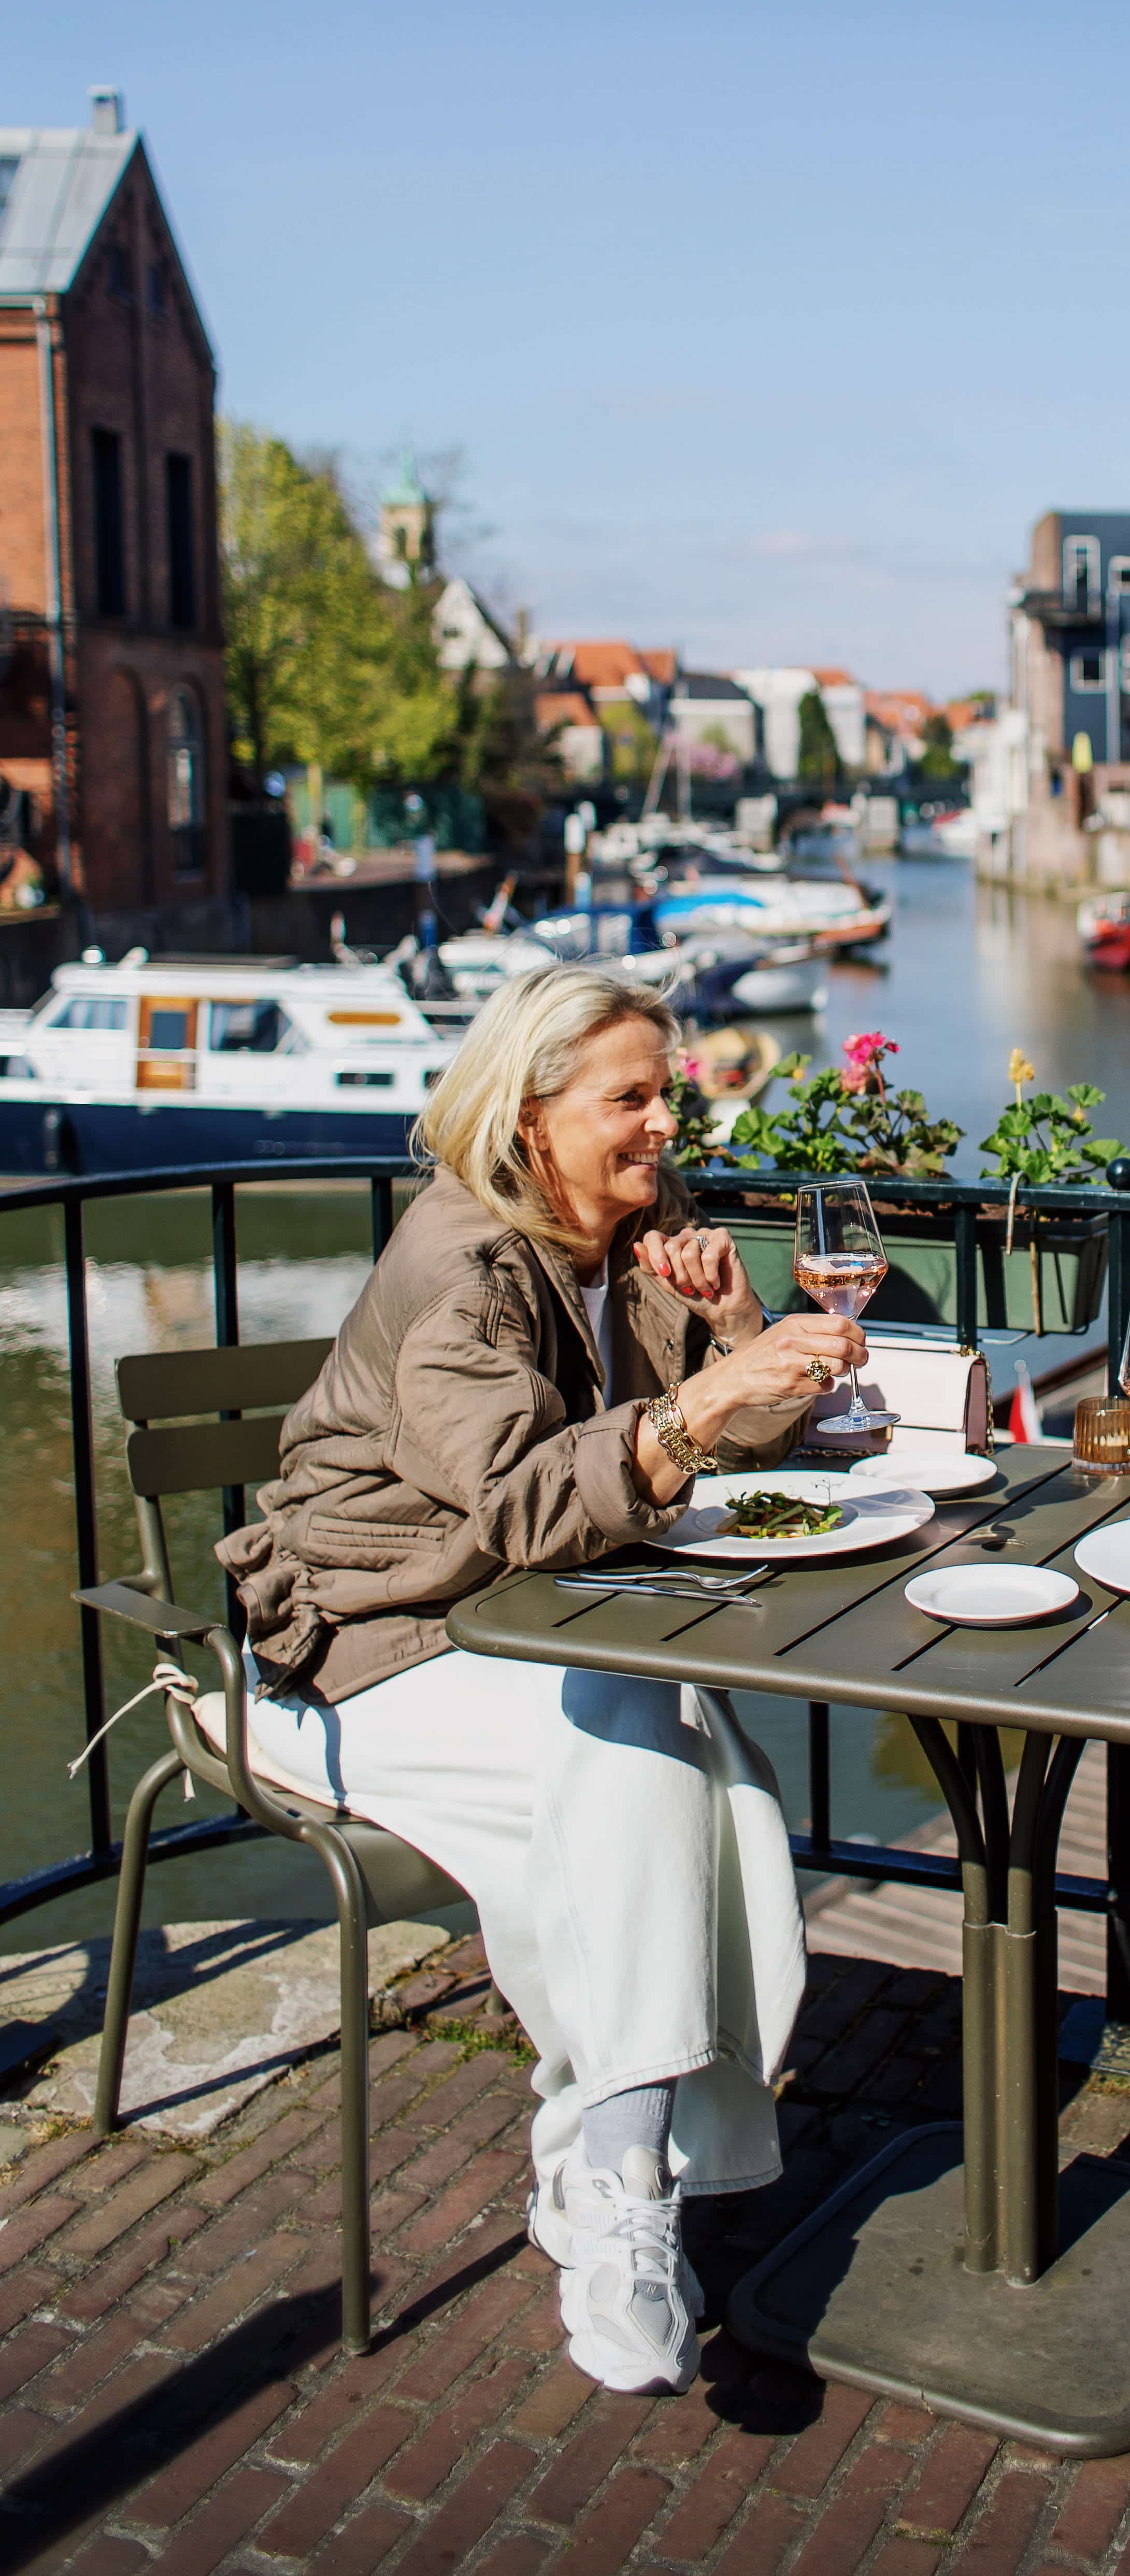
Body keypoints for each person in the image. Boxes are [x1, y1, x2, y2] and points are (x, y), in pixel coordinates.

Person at [221, 964, 864, 2396]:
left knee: (684, 1751)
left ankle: (609, 2169)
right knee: (659, 1741)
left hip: (528, 1623)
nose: (662, 1124)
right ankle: (632, 2176)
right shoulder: (457, 1263)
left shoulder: (646, 1227)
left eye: (665, 1093)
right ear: (528, 1119)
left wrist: (732, 1331)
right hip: (368, 1641)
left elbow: (713, 1451)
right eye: (628, 1100)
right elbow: (521, 1503)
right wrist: (695, 1402)